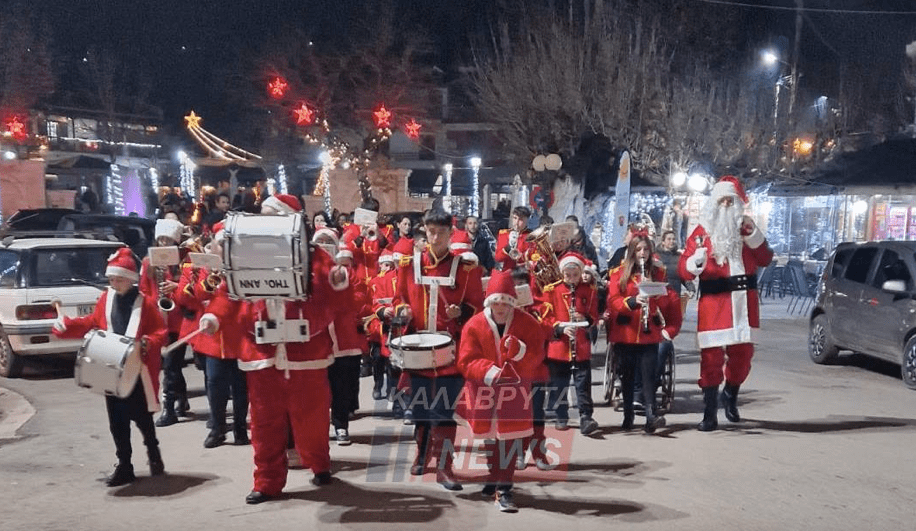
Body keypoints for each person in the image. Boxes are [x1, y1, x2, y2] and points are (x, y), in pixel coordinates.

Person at [201, 201, 350, 504]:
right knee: (264, 422)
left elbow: (335, 299)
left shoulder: (314, 255)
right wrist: (214, 316)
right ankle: (266, 481)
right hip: (262, 352)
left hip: (306, 352)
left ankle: (319, 463)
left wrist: (338, 283)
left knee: (313, 418)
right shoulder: (244, 253)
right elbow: (229, 293)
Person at [53, 247, 168, 486]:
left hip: (137, 371)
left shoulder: (145, 303)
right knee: (117, 421)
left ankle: (153, 451)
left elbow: (161, 332)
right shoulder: (106, 299)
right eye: (112, 279)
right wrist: (67, 326)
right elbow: (91, 323)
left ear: (130, 279)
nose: (114, 283)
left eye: (118, 279)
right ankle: (125, 464)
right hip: (111, 369)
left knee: (143, 418)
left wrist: (147, 342)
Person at [392, 209, 484, 491]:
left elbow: (477, 305)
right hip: (417, 347)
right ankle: (422, 454)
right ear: (424, 230)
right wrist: (403, 311)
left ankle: (445, 466)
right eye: (430, 232)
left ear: (450, 233)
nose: (435, 238)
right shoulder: (409, 265)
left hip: (450, 349)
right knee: (420, 407)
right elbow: (399, 298)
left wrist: (462, 312)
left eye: (441, 232)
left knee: (444, 410)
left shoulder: (466, 269)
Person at [678, 176, 774, 432]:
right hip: (714, 303)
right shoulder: (701, 233)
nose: (725, 205)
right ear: (713, 202)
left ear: (738, 203)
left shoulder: (747, 229)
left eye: (730, 201)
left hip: (744, 304)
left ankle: (731, 392)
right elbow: (684, 270)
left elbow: (765, 258)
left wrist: (753, 235)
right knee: (711, 359)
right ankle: (709, 413)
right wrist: (695, 262)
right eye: (721, 200)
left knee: (743, 357)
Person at [455, 270, 547, 513]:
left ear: (513, 302)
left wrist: (520, 352)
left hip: (514, 393)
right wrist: (490, 372)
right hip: (483, 391)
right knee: (490, 439)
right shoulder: (474, 325)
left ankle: (504, 488)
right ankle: (494, 476)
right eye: (496, 302)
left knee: (510, 441)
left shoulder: (528, 323)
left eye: (505, 303)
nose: (500, 308)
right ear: (489, 302)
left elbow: (537, 355)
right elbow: (466, 360)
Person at [606, 232, 682, 432]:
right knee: (628, 377)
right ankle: (628, 415)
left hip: (649, 333)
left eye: (646, 249)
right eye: (639, 249)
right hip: (626, 333)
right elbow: (613, 300)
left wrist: (655, 292)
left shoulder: (658, 273)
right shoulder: (619, 273)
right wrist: (631, 301)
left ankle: (651, 415)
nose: (643, 253)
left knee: (649, 376)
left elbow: (669, 302)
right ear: (632, 251)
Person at [185, 222, 250, 449]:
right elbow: (196, 296)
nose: (221, 248)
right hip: (214, 338)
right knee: (214, 385)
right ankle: (218, 429)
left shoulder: (243, 268)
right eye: (219, 244)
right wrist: (210, 279)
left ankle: (240, 428)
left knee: (241, 388)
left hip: (238, 336)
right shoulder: (207, 268)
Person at [540, 252, 599, 435]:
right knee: (559, 384)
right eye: (568, 275)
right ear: (562, 273)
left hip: (580, 346)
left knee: (583, 384)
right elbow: (546, 318)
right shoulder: (552, 290)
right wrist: (560, 328)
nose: (571, 279)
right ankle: (561, 416)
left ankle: (586, 416)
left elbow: (594, 316)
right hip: (559, 346)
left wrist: (585, 318)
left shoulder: (589, 290)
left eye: (575, 275)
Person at [138, 218, 190, 427]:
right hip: (157, 320)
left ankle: (169, 409)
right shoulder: (148, 262)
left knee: (171, 366)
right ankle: (182, 398)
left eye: (168, 240)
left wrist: (175, 286)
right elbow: (143, 289)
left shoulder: (184, 263)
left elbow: (189, 290)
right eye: (161, 240)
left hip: (177, 322)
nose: (164, 244)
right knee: (170, 366)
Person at [494, 207, 533, 272]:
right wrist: (507, 249)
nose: (516, 222)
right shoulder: (504, 234)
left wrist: (523, 258)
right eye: (515, 218)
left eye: (520, 219)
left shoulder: (531, 236)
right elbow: (498, 258)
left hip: (525, 272)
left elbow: (535, 256)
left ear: (527, 220)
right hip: (508, 271)